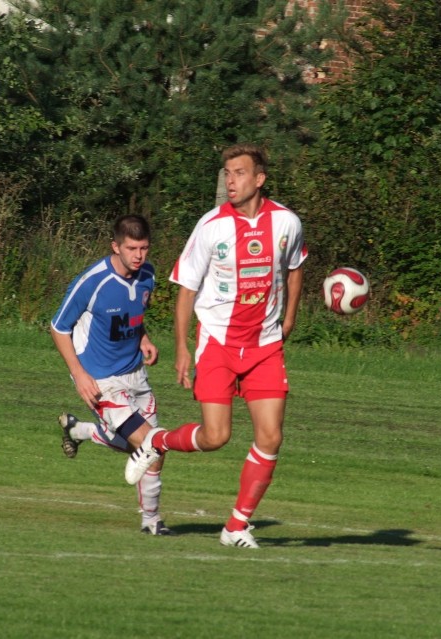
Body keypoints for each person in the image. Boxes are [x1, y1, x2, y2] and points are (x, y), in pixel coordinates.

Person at [124, 143, 307, 549]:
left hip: (265, 346)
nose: (230, 181)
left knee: (271, 437)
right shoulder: (211, 226)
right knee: (215, 437)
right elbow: (186, 290)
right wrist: (184, 348)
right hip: (218, 343)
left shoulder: (288, 223)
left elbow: (295, 268)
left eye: (239, 173)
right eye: (227, 173)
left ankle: (236, 526)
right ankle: (157, 441)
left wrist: (290, 317)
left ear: (259, 179)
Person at [50, 214, 172, 536]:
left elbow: (134, 314)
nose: (139, 255)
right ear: (114, 246)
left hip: (135, 373)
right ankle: (152, 524)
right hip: (100, 380)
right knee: (152, 443)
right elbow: (58, 328)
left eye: (144, 248)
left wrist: (143, 337)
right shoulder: (92, 282)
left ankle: (80, 431)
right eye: (131, 248)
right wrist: (79, 374)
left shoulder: (148, 274)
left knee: (150, 453)